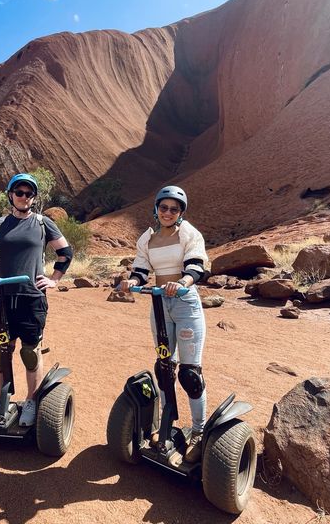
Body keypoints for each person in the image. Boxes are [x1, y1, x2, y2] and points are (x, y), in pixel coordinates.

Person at [0, 172, 73, 426]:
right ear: (11, 195)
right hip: (4, 296)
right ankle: (1, 402)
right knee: (1, 351)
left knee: (30, 352)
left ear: (33, 198)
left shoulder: (42, 223)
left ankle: (31, 401)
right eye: (20, 192)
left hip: (31, 297)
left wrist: (54, 279)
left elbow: (65, 252)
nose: (24, 197)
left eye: (29, 194)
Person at [120, 185, 208, 463]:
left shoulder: (190, 234)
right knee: (164, 367)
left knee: (190, 374)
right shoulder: (147, 238)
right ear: (156, 209)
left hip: (185, 302)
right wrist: (132, 282)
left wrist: (182, 282)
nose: (168, 212)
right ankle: (165, 424)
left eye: (174, 209)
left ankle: (199, 431)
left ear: (181, 213)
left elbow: (196, 266)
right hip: (159, 303)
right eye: (164, 207)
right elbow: (141, 269)